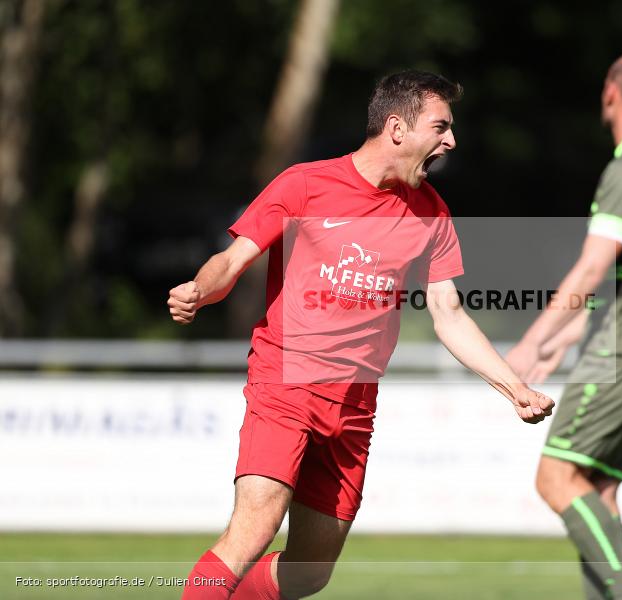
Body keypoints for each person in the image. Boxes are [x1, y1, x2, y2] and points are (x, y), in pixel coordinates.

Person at [167, 70, 554, 600]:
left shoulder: (431, 212)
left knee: (309, 574)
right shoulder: (305, 183)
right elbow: (232, 260)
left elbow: (450, 315)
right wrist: (200, 289)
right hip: (286, 384)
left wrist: (516, 387)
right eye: (441, 127)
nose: (451, 141)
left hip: (355, 402)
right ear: (397, 129)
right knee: (253, 531)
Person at [507, 50, 622, 600]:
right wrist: (570, 335)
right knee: (599, 491)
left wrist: (532, 341)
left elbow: (595, 266)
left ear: (612, 89)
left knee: (556, 479)